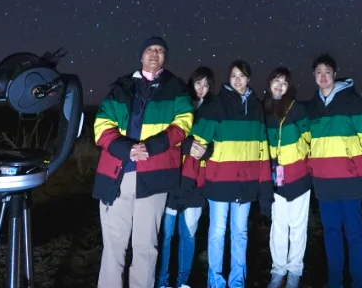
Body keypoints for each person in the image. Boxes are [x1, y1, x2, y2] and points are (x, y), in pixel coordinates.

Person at [93, 36, 194, 288]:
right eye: (150, 49)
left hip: (154, 176)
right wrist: (127, 149)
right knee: (114, 246)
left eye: (160, 50)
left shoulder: (176, 87)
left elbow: (184, 122)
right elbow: (101, 126)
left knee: (146, 247)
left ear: (165, 58)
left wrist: (150, 147)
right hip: (118, 175)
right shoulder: (121, 86)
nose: (154, 53)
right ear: (141, 55)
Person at [182, 60, 273, 288]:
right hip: (219, 181)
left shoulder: (256, 107)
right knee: (217, 233)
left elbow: (263, 149)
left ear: (249, 79)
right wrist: (190, 147)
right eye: (233, 75)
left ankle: (236, 282)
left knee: (240, 233)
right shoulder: (218, 105)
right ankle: (215, 281)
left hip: (245, 182)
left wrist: (264, 188)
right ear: (228, 78)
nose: (237, 79)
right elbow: (196, 138)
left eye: (242, 76)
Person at [305, 53, 362, 288]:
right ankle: (334, 282)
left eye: (327, 72)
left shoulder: (351, 100)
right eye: (318, 73)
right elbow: (307, 141)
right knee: (331, 233)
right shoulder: (312, 106)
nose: (323, 77)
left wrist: (352, 159)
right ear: (314, 77)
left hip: (349, 179)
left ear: (335, 74)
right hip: (325, 181)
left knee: (354, 234)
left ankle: (358, 283)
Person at [156, 66, 215, 288]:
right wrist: (188, 145)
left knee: (188, 236)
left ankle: (183, 281)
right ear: (192, 83)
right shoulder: (180, 106)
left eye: (207, 84)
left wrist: (208, 150)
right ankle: (162, 281)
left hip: (196, 182)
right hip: (173, 179)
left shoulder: (212, 110)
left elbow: (216, 141)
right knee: (167, 235)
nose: (202, 88)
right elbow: (168, 137)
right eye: (199, 82)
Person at [263, 67, 311, 288]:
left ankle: (294, 271)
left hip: (299, 177)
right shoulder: (265, 110)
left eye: (284, 82)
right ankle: (278, 270)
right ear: (269, 83)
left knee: (297, 227)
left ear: (289, 86)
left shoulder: (298, 109)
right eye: (276, 81)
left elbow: (310, 140)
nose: (279, 86)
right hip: (276, 180)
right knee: (279, 227)